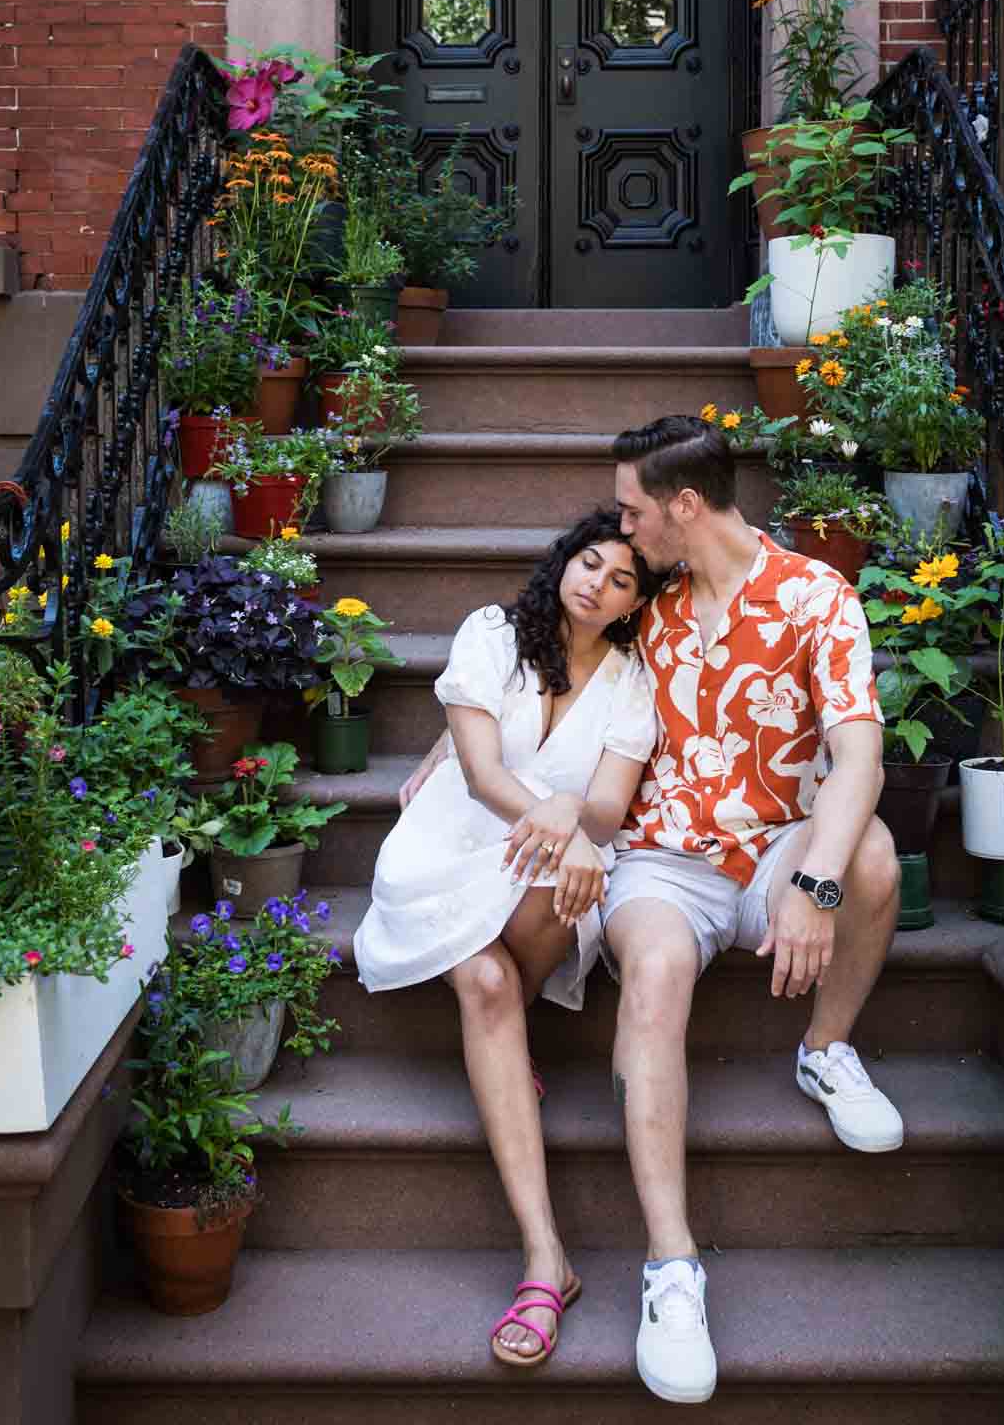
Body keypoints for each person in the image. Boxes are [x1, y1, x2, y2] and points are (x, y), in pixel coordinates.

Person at [603, 413, 901, 1405]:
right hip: (662, 853)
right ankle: (671, 1266)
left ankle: (823, 1047)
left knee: (873, 854)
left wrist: (814, 883)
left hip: (778, 841)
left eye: (633, 509)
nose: (623, 525)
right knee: (651, 971)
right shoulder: (642, 596)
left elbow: (858, 750)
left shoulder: (817, 595)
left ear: (684, 505)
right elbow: (539, 658)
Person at [354, 508, 663, 1371]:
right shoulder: (493, 633)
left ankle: (542, 1257)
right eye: (586, 561)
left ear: (635, 603)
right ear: (562, 560)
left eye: (619, 579)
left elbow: (608, 803)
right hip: (454, 841)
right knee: (487, 983)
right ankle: (544, 1256)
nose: (593, 583)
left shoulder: (632, 679)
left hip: (546, 866)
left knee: (550, 905)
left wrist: (573, 821)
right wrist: (564, 827)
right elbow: (483, 774)